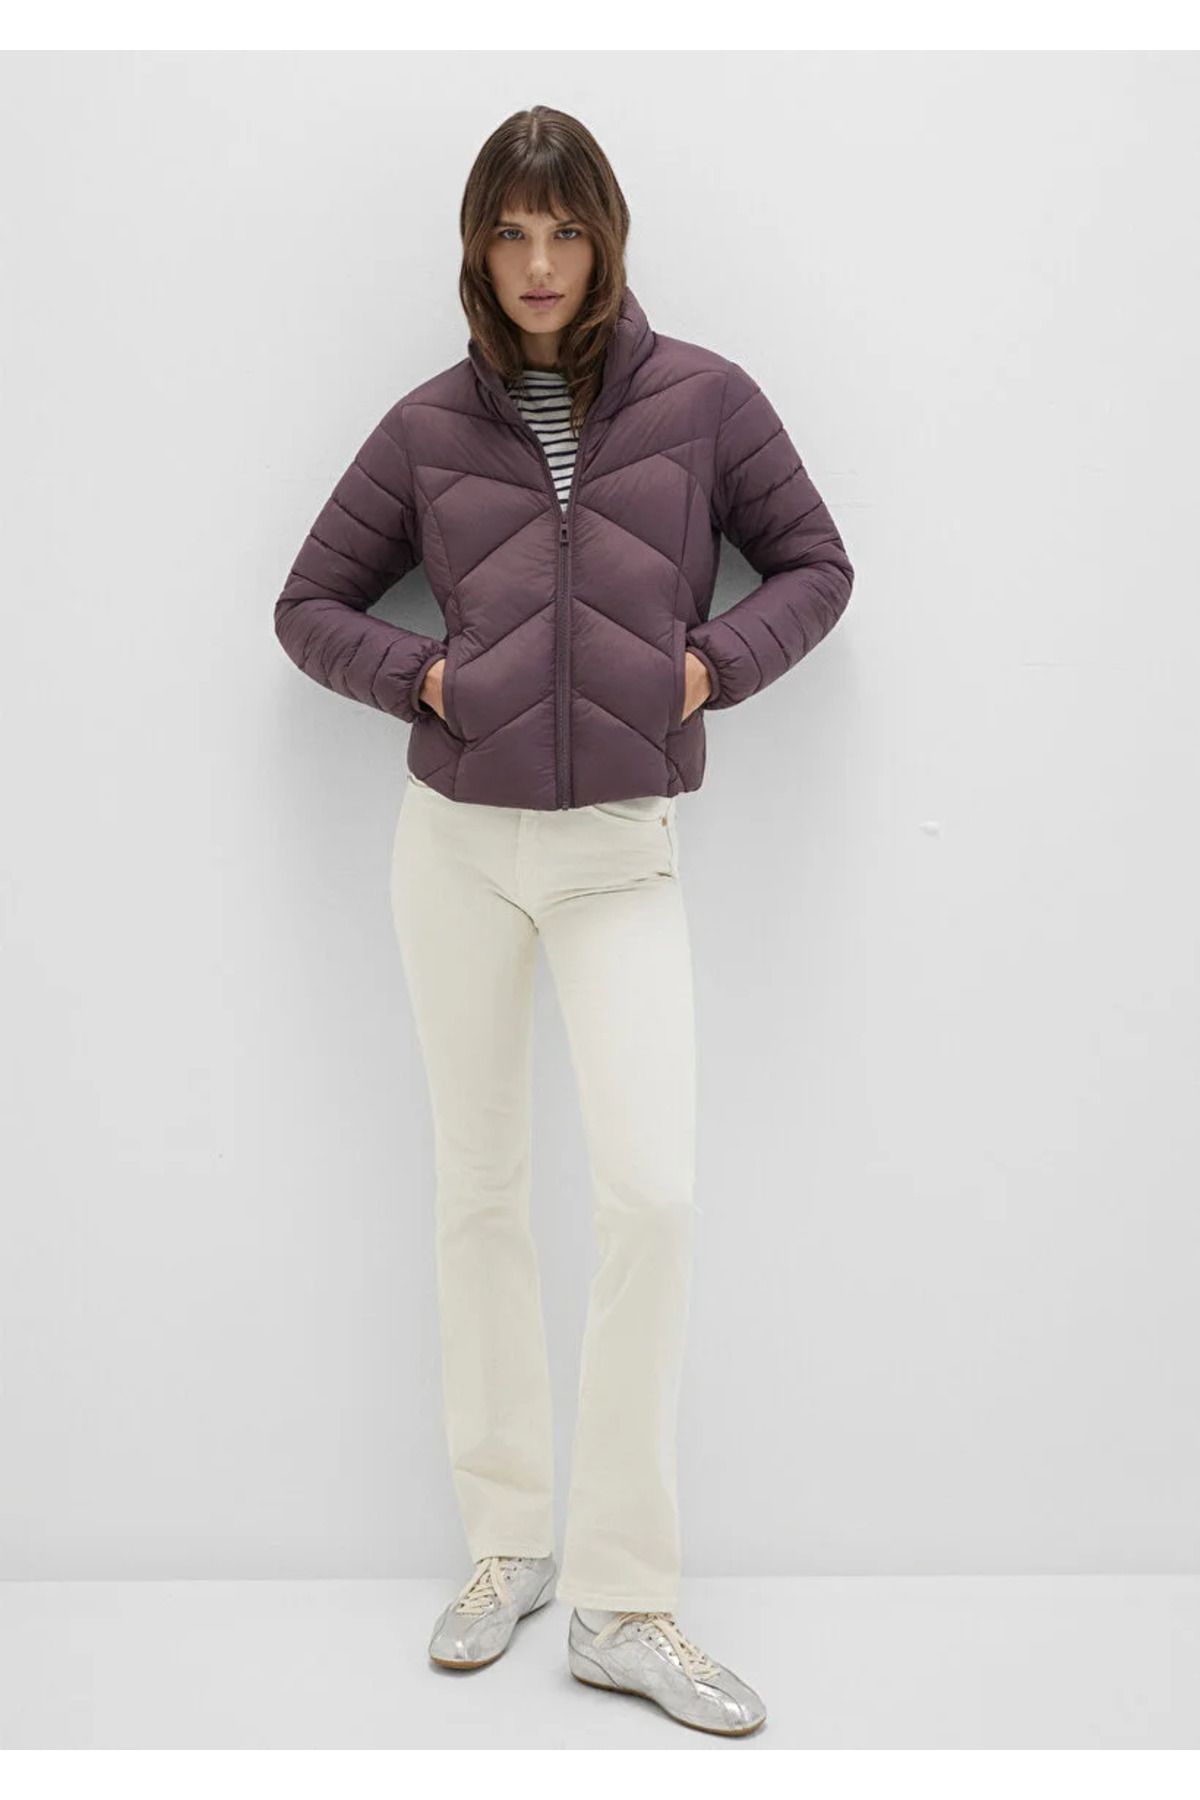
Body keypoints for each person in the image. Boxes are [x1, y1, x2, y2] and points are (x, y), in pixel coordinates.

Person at [274, 104, 854, 1739]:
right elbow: (306, 605)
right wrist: (425, 676)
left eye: (566, 231)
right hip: (453, 849)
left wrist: (710, 664)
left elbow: (815, 564)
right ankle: (508, 1544)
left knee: (653, 1196)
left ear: (606, 237)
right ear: (480, 248)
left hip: (617, 848)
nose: (539, 265)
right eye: (511, 235)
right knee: (480, 1192)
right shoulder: (422, 429)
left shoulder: (706, 402)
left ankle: (623, 1599)